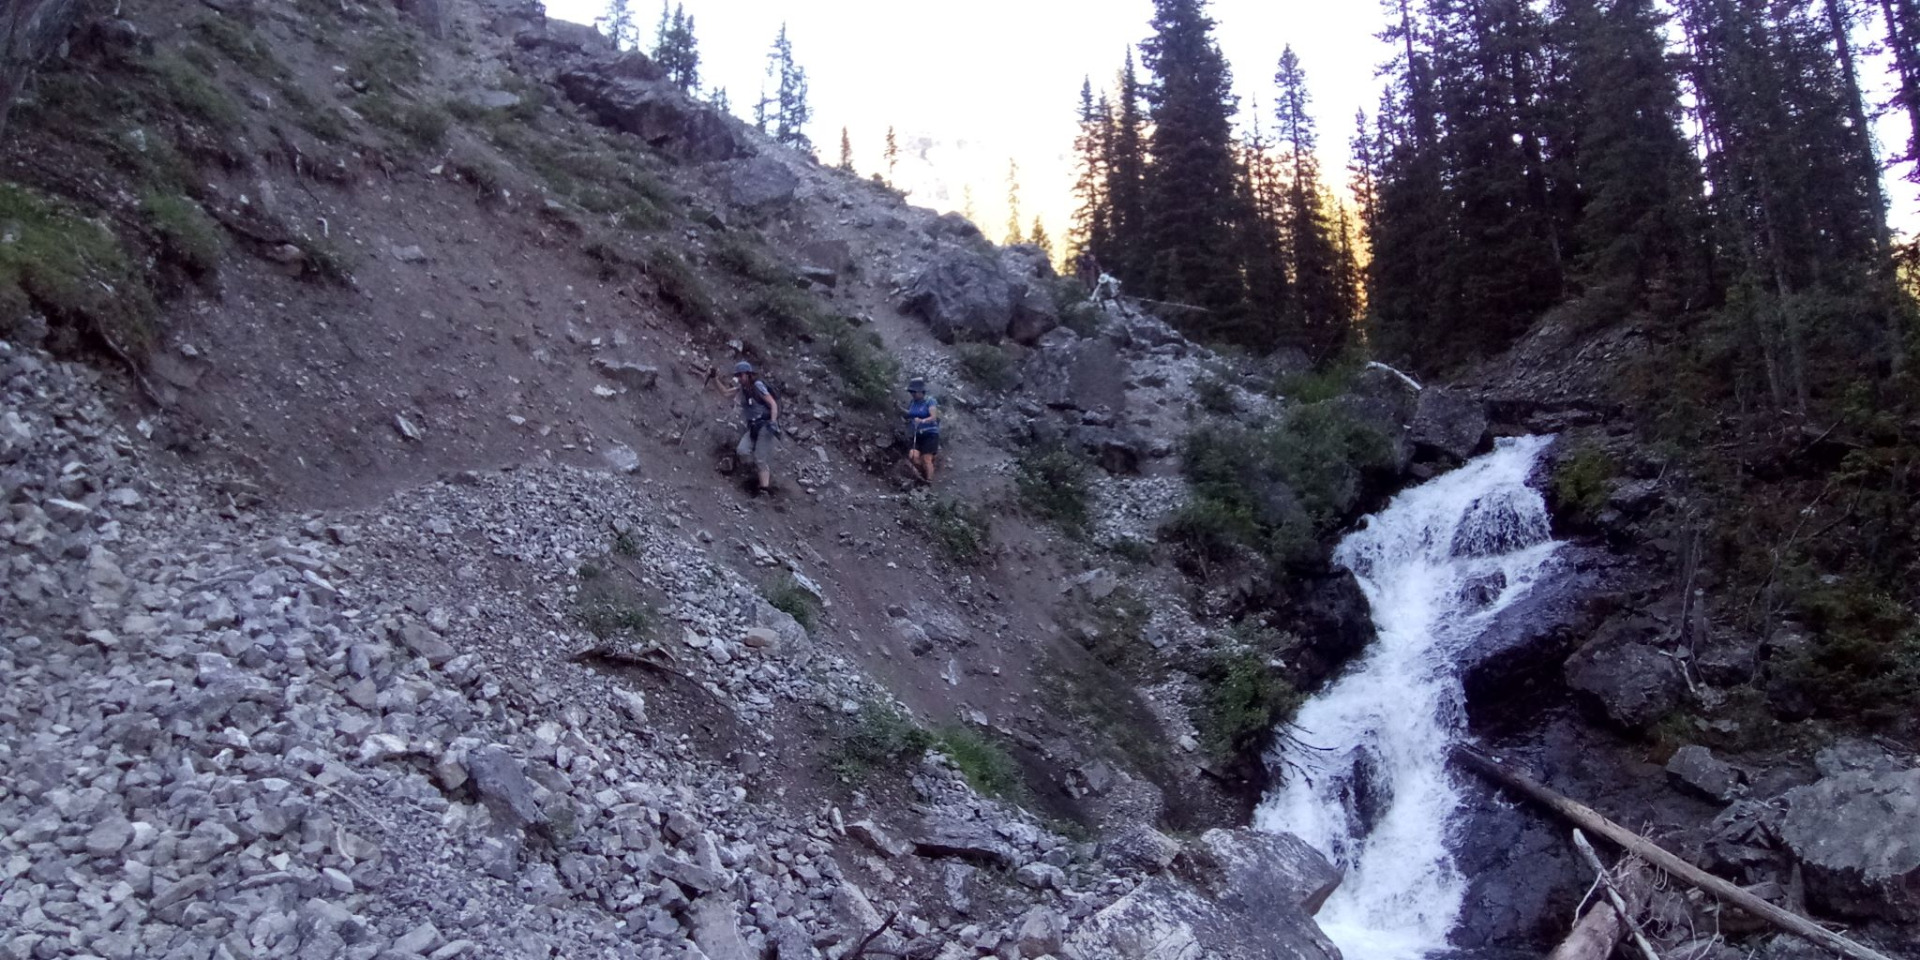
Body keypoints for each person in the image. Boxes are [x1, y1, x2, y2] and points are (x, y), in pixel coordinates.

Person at [717, 360, 779, 494]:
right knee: (742, 450)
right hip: (753, 427)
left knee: (760, 457)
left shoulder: (758, 386)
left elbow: (773, 403)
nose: (739, 378)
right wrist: (714, 378)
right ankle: (755, 474)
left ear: (748, 374)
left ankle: (764, 490)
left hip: (765, 425)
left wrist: (773, 422)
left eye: (741, 375)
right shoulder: (742, 389)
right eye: (737, 375)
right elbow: (726, 393)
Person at [902, 377, 941, 484]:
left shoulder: (930, 401)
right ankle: (921, 476)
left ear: (921, 391)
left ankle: (929, 481)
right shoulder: (913, 402)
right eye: (911, 392)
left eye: (914, 392)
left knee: (926, 458)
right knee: (913, 456)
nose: (912, 394)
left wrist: (922, 421)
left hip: (930, 433)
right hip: (917, 433)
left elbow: (933, 417)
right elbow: (909, 414)